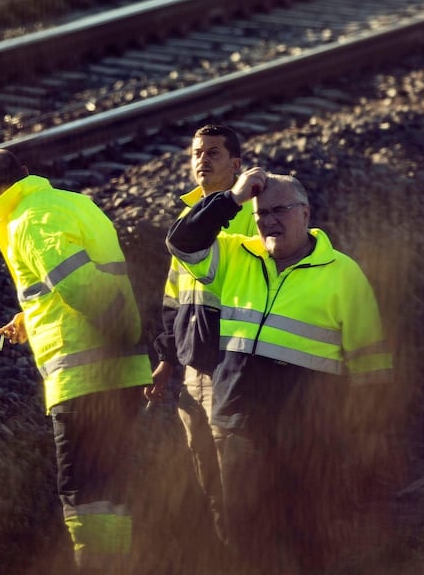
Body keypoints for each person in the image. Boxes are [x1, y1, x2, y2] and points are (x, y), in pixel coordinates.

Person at [166, 168, 394, 573]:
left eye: (280, 210)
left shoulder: (344, 274)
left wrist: (365, 439)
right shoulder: (237, 255)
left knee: (307, 537)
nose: (269, 220)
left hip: (308, 435)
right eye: (260, 214)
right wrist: (232, 200)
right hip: (239, 426)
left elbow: (371, 366)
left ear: (305, 214)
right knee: (248, 536)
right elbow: (180, 241)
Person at [0, 148, 153, 572]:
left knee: (84, 497)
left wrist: (119, 330)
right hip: (116, 375)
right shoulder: (74, 203)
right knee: (110, 492)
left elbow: (76, 283)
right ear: (25, 173)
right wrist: (28, 319)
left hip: (86, 379)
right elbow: (63, 281)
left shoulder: (30, 219)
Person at [143, 124, 255, 546]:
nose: (202, 160)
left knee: (236, 477)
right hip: (193, 369)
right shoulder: (187, 219)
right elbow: (174, 299)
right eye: (196, 153)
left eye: (213, 153)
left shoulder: (252, 213)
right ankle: (229, 554)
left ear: (236, 164)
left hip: (232, 365)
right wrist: (167, 361)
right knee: (208, 476)